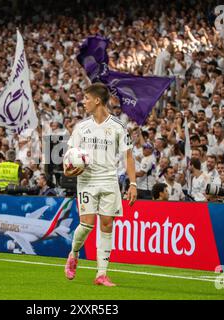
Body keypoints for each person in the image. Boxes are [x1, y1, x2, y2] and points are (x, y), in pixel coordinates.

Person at [63, 83, 137, 287]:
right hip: (87, 180)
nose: (83, 102)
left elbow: (128, 156)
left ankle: (101, 274)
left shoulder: (118, 126)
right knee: (86, 225)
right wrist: (68, 169)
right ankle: (74, 253)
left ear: (97, 100)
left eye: (86, 98)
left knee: (107, 223)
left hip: (109, 180)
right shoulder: (81, 127)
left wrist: (133, 184)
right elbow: (69, 157)